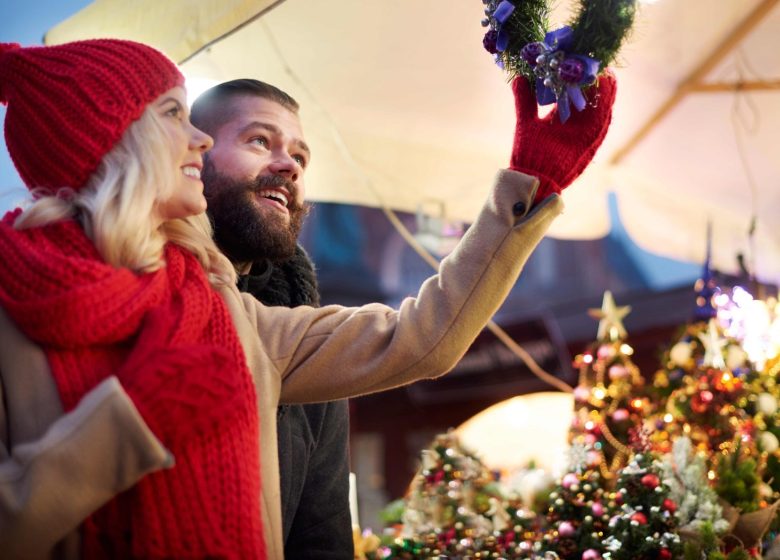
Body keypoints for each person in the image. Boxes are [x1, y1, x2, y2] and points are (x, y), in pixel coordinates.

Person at [0, 39, 614, 559]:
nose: (198, 141)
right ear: (114, 138)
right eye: (171, 114)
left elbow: (418, 336)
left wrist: (530, 185)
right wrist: (130, 425)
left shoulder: (237, 318)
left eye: (299, 155)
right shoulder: (11, 314)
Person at [191, 80, 353, 558]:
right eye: (259, 141)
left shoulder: (304, 336)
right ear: (194, 154)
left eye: (300, 158)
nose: (289, 167)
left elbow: (322, 532)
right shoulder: (135, 291)